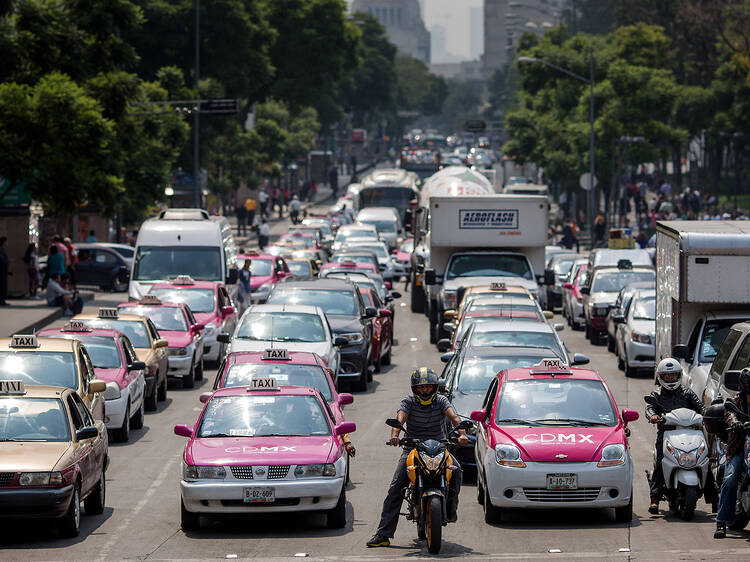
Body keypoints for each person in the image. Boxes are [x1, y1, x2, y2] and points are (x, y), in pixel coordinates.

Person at [366, 367, 468, 548]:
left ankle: (451, 509)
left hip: (439, 447)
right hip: (412, 448)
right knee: (396, 487)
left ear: (435, 387)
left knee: (458, 471)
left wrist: (462, 434)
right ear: (414, 389)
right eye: (421, 388)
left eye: (428, 387)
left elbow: (454, 418)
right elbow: (400, 418)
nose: (425, 390)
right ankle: (383, 535)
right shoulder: (409, 401)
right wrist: (395, 435)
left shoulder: (441, 400)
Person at [645, 358, 703, 515]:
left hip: (690, 432)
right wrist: (652, 416)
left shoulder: (687, 393)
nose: (670, 379)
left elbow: (701, 407)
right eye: (667, 376)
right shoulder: (656, 394)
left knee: (704, 457)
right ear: (660, 377)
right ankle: (655, 498)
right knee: (659, 462)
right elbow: (649, 408)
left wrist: (707, 414)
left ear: (679, 375)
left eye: (673, 376)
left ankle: (714, 495)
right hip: (666, 433)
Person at [715, 368, 750, 538]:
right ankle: (721, 522)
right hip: (739, 448)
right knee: (730, 478)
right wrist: (736, 422)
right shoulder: (733, 401)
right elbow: (730, 415)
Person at [0, 237, 9, 306]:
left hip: (4, 271)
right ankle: (1, 301)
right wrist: (7, 261)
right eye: (6, 242)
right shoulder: (1, 250)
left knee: (3, 286)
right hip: (1, 271)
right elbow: (2, 260)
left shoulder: (3, 250)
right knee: (2, 286)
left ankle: (2, 300)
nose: (7, 243)